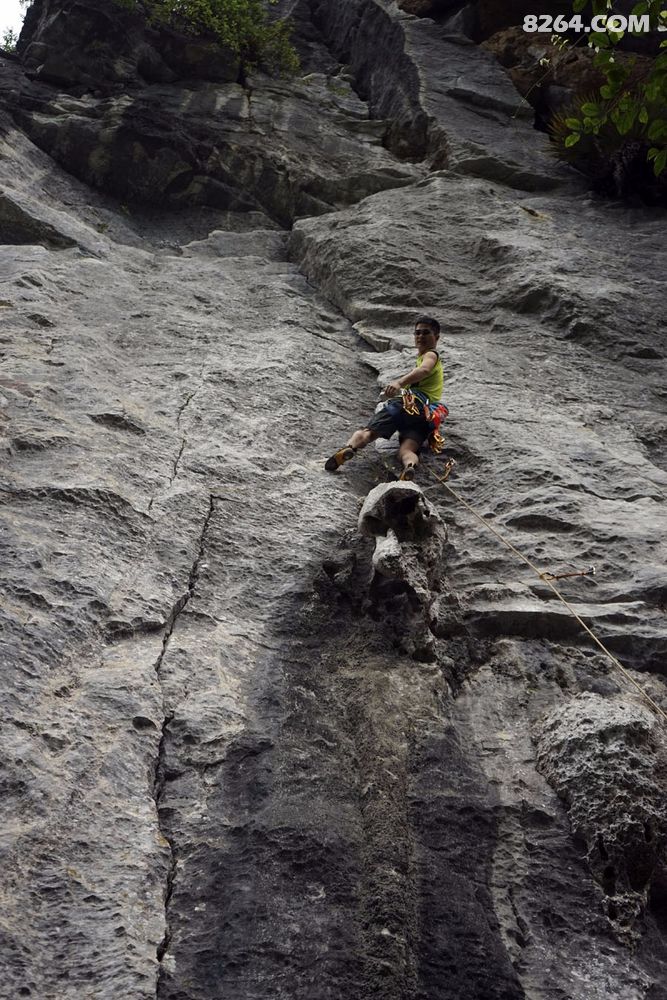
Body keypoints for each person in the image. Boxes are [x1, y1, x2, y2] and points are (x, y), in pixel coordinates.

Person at [325, 315, 446, 480]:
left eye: (426, 333)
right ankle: (409, 465)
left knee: (368, 433)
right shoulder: (424, 358)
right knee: (406, 451)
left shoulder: (431, 355)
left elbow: (424, 370)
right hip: (424, 416)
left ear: (436, 337)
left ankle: (350, 448)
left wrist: (399, 382)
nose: (420, 336)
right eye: (417, 333)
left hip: (407, 404)